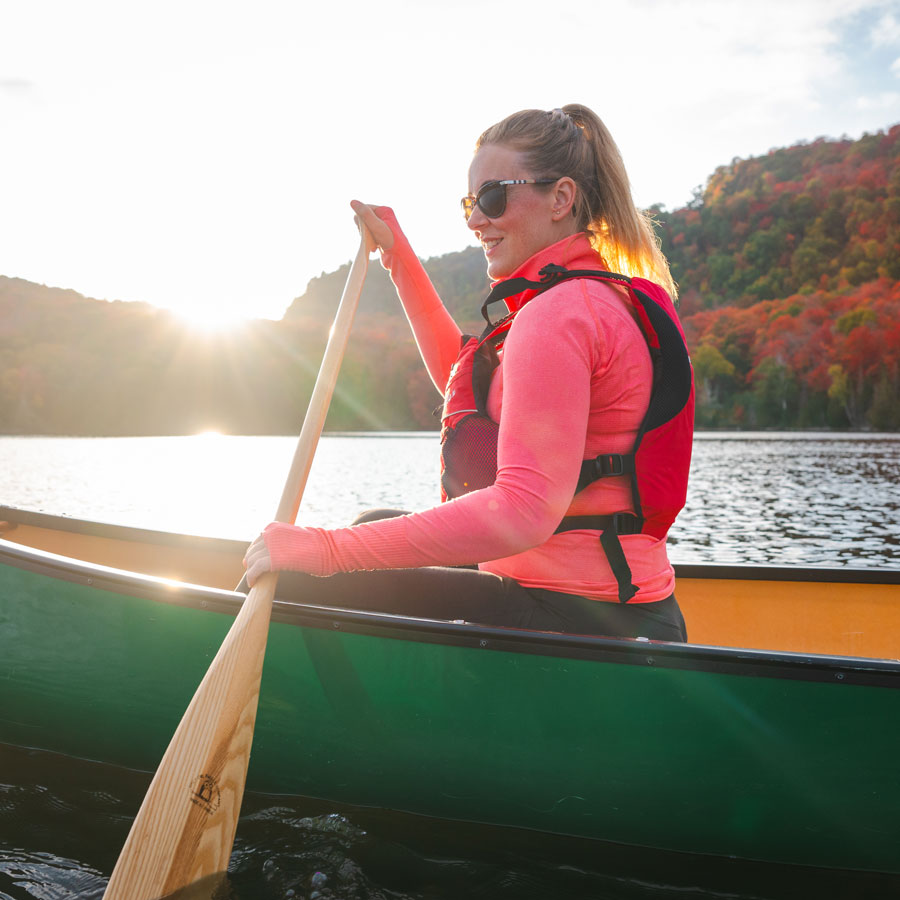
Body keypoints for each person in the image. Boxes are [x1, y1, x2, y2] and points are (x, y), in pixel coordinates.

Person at [244, 104, 694, 642]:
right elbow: (464, 380)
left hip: (579, 618)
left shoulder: (559, 314)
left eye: (493, 196)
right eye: (470, 202)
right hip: (627, 610)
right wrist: (399, 255)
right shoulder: (587, 297)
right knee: (372, 522)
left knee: (298, 576)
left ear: (561, 198)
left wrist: (324, 549)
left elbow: (523, 511)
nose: (477, 219)